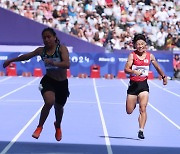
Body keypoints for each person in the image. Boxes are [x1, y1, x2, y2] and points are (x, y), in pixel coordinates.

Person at [3, 27, 70, 141]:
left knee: (59, 108)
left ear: (54, 38)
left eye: (49, 37)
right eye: (44, 38)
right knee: (49, 102)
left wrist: (53, 62)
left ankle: (57, 125)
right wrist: (11, 60)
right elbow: (26, 56)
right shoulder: (41, 51)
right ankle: (39, 126)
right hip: (48, 80)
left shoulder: (61, 49)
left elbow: (67, 64)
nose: (46, 39)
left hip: (62, 83)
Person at [124, 34, 167, 139]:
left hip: (143, 85)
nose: (140, 46)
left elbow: (157, 67)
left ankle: (141, 130)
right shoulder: (132, 55)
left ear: (145, 45)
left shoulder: (150, 56)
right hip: (133, 86)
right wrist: (134, 71)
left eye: (142, 44)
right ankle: (135, 101)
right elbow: (126, 69)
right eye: (138, 44)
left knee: (143, 108)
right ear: (135, 45)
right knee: (129, 111)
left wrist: (163, 76)